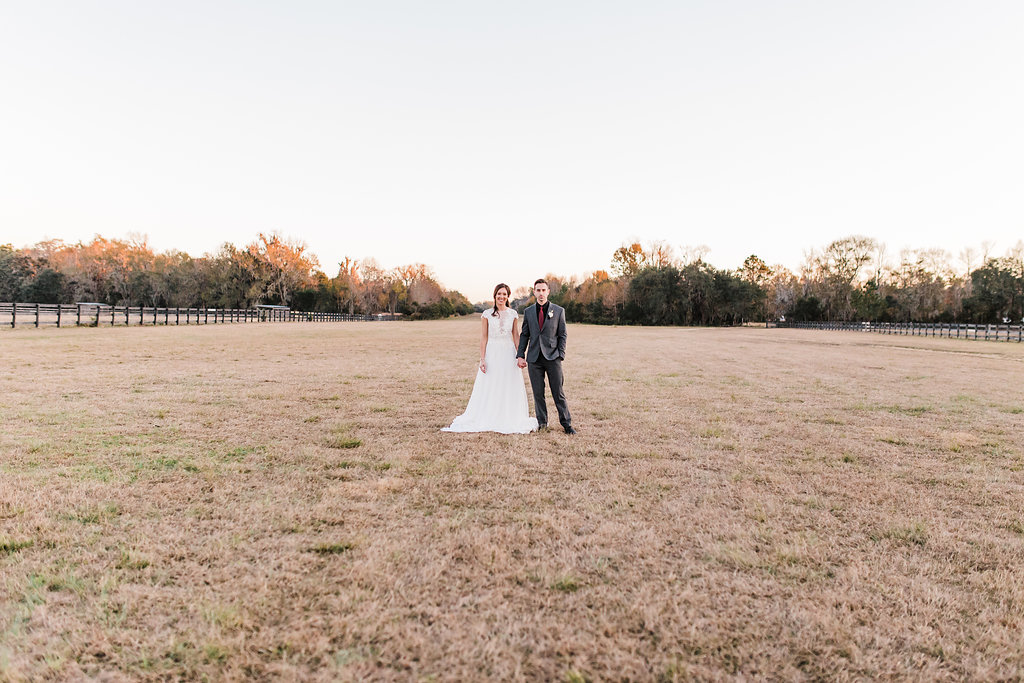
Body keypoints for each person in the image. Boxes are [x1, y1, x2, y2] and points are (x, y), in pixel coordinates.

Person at [442, 283, 538, 434]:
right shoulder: (486, 314)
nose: (501, 297)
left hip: (508, 353)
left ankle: (508, 415)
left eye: (504, 294)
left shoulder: (513, 314)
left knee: (508, 383)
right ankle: (489, 415)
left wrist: (520, 355)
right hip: (492, 353)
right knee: (491, 384)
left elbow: (515, 335)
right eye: (499, 294)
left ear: (508, 297)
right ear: (494, 296)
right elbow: (484, 337)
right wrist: (482, 359)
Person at [516, 279, 575, 434]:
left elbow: (562, 335)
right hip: (534, 358)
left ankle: (567, 424)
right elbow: (525, 335)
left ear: (548, 291)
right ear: (534, 292)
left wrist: (560, 354)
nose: (541, 293)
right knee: (538, 393)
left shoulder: (559, 310)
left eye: (543, 290)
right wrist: (520, 354)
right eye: (538, 290)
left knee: (558, 392)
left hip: (553, 357)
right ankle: (542, 423)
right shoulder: (528, 312)